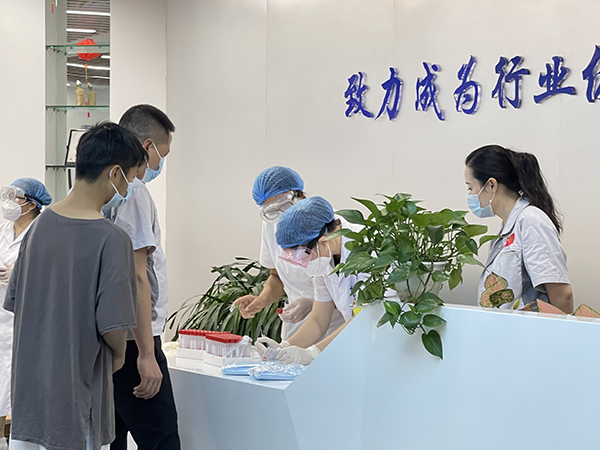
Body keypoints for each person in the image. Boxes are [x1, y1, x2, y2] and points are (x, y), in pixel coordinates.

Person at [4, 122, 144, 450]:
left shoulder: (37, 228)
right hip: (78, 399)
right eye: (130, 178)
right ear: (115, 173)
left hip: (31, 397)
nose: (128, 189)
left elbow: (16, 301)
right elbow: (114, 328)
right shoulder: (112, 239)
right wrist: (120, 353)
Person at [102, 104, 180, 449]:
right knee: (161, 439)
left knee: (112, 436)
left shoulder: (105, 188)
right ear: (147, 146)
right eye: (161, 155)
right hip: (135, 340)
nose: (158, 165)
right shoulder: (133, 191)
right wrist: (147, 354)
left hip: (110, 336)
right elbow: (136, 276)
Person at [233, 166, 344, 340]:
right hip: (299, 322)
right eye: (271, 210)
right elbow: (276, 276)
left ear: (299, 195)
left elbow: (349, 296)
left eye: (284, 205)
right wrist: (261, 300)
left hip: (336, 323)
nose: (279, 214)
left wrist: (313, 303)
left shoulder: (327, 227)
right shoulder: (271, 226)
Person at [465, 144, 573, 313]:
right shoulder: (508, 228)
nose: (470, 195)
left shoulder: (531, 221)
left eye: (470, 187)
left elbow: (562, 294)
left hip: (529, 328)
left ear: (491, 185)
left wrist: (560, 329)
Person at [256, 196, 361, 365]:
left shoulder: (369, 249)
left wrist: (312, 353)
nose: (304, 264)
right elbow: (318, 320)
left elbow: (362, 317)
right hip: (360, 347)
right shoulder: (324, 257)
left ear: (323, 241)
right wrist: (284, 347)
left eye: (303, 255)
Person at [0, 178, 52, 447]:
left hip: (23, 321)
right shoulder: (2, 229)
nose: (8, 203)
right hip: (1, 320)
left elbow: (50, 275)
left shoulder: (43, 233)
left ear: (31, 205)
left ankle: (17, 441)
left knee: (18, 390)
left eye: (14, 198)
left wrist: (19, 274)